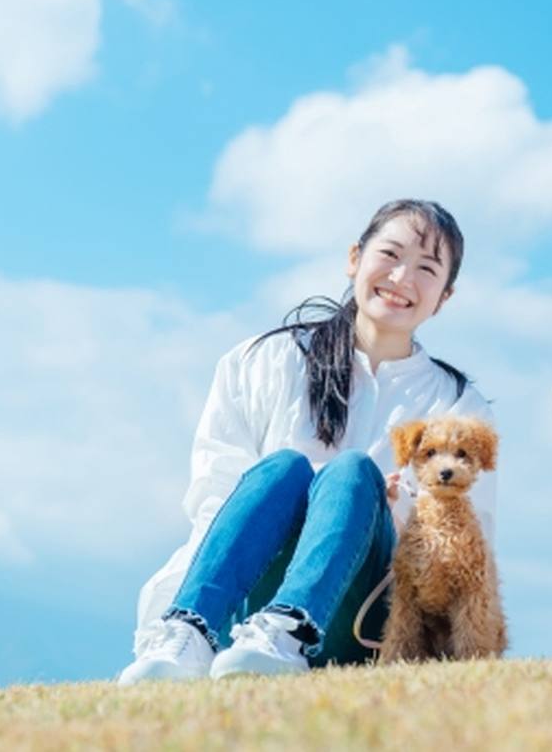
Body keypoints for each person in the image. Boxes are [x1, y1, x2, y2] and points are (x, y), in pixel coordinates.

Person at [120, 199, 495, 683]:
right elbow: (216, 493)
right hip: (247, 600)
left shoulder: (457, 402)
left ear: (444, 297)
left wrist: (398, 509)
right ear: (354, 258)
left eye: (426, 269)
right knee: (284, 467)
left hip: (364, 618)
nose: (402, 279)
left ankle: (290, 630)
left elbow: (468, 540)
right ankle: (190, 630)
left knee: (352, 472)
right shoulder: (266, 359)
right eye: (391, 255)